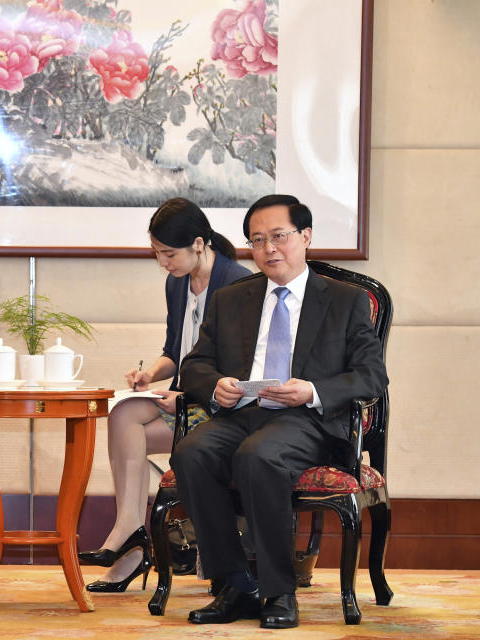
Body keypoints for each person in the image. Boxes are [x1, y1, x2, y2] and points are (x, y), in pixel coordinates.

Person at [170, 194, 388, 629]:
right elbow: (194, 363)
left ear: (305, 237)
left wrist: (311, 391)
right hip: (242, 415)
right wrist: (215, 385)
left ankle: (277, 591)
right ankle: (236, 583)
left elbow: (372, 377)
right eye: (257, 240)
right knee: (191, 453)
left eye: (279, 237)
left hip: (309, 420)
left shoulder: (345, 301)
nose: (268, 249)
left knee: (259, 455)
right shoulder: (232, 299)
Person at [78, 198, 250, 592]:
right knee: (121, 413)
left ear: (199, 244)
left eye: (169, 253)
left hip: (220, 410)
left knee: (128, 422)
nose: (163, 263)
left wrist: (190, 396)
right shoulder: (177, 284)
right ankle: (132, 538)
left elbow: (240, 368)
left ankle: (130, 544)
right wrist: (149, 374)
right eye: (157, 254)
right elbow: (174, 350)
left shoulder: (238, 282)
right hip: (184, 405)